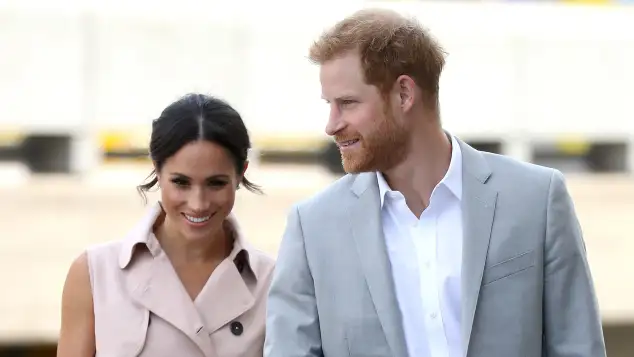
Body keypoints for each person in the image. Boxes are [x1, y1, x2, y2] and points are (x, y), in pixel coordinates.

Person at [264, 8, 606, 357]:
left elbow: (578, 346)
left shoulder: (537, 199)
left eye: (347, 103)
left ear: (404, 95)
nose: (331, 124)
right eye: (330, 105)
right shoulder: (313, 227)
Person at [57, 93, 275, 357]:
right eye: (181, 182)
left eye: (216, 183)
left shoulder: (272, 281)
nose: (198, 203)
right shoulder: (94, 274)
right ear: (157, 171)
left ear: (241, 174)